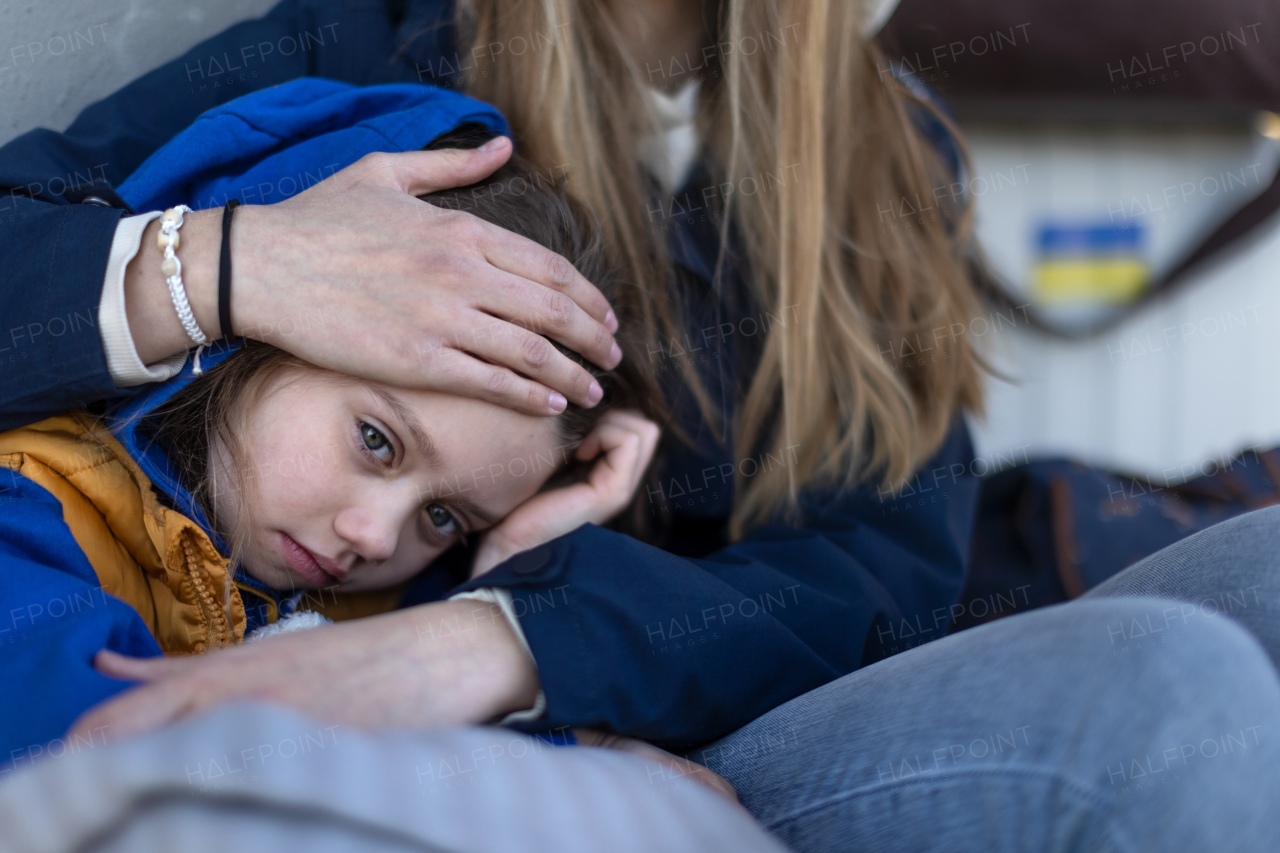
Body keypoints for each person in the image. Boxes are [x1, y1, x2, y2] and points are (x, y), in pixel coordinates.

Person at [6, 2, 1280, 850]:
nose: (373, 522)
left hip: (680, 707)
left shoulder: (889, 154)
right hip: (565, 743)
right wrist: (232, 266)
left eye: (436, 502)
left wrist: (511, 637)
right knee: (1175, 686)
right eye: (378, 447)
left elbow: (886, 582)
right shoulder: (374, 43)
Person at [0, 97, 661, 755]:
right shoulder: (31, 517)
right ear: (263, 330)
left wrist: (512, 576)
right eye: (376, 439)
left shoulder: (397, 602)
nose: (373, 538)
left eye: (442, 516)